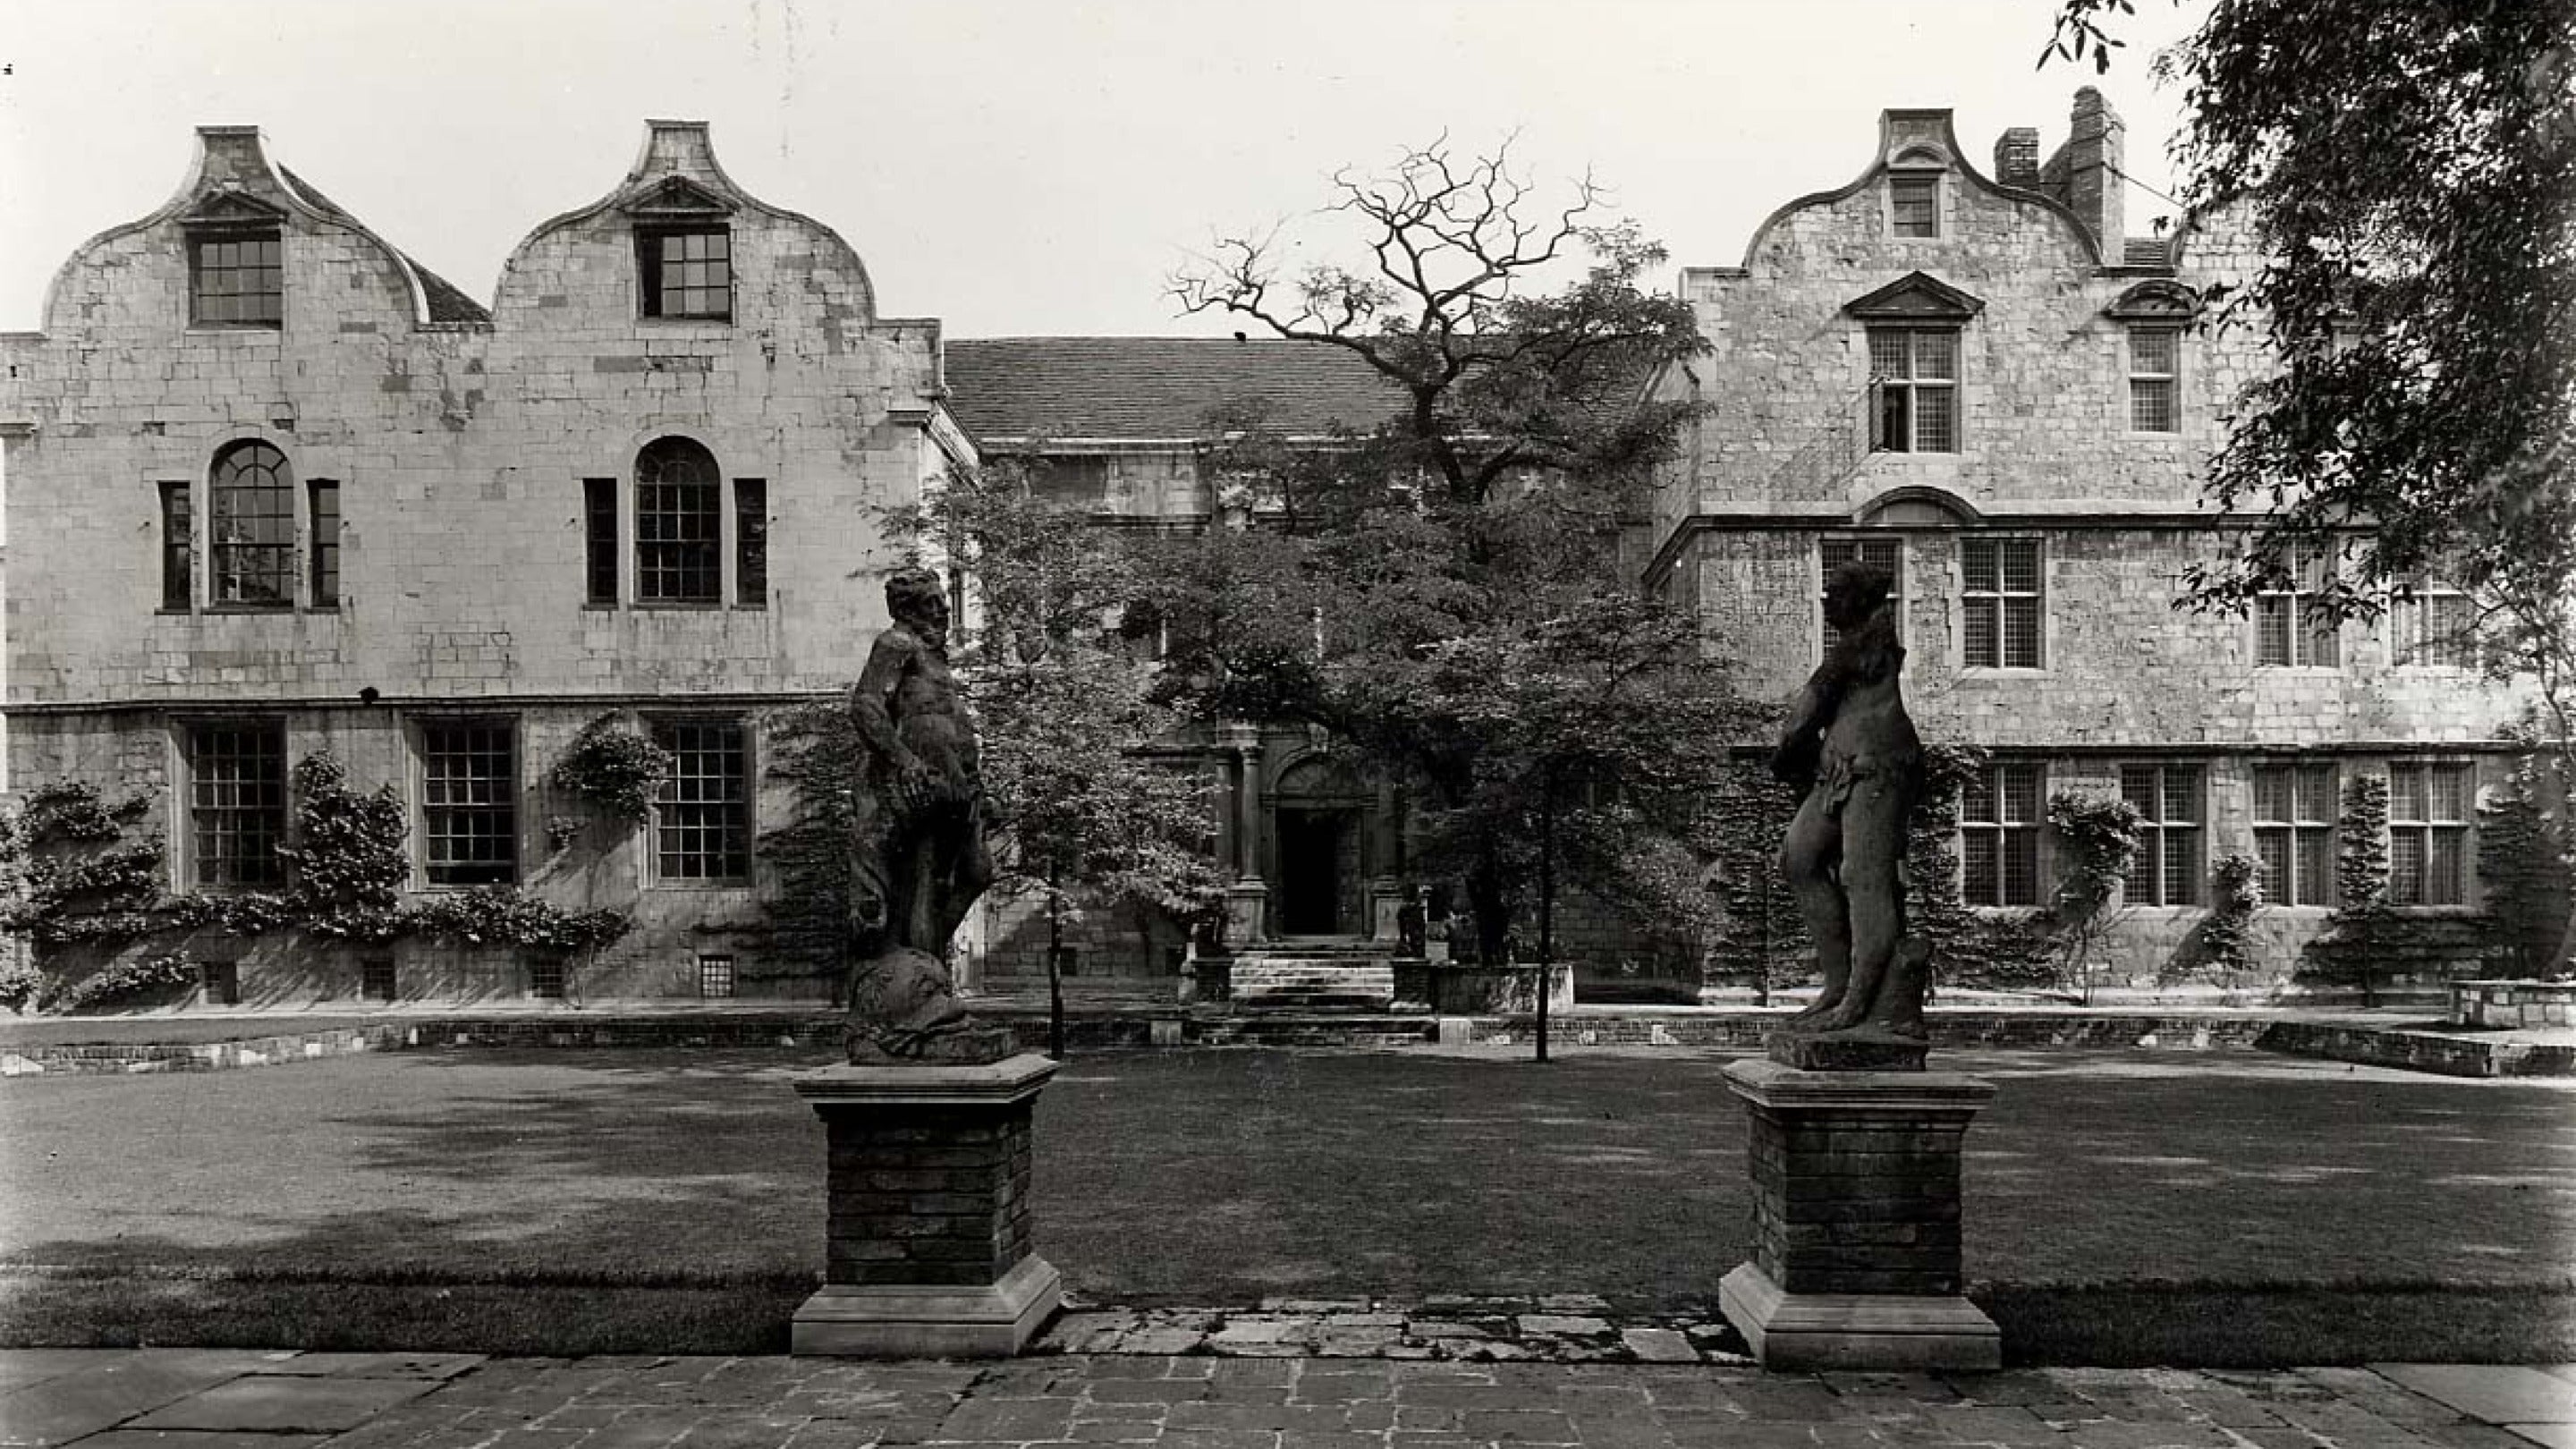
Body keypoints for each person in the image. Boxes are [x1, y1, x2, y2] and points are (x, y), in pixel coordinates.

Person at [844, 566, 1005, 1061]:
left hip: (957, 789)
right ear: (908, 609)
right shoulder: (895, 645)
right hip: (922, 786)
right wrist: (907, 761)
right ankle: (922, 996)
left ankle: (925, 980)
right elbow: (866, 707)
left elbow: (950, 724)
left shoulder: (936, 662)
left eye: (942, 600)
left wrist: (979, 789)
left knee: (975, 872)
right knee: (923, 879)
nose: (942, 609)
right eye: (932, 602)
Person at [1771, 560, 1928, 1036]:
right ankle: (1837, 986)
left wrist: (1788, 754)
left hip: (1879, 767)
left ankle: (1860, 1003)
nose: (1828, 602)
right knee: (1798, 859)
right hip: (1839, 770)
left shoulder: (1867, 641)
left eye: (1836, 594)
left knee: (1865, 877)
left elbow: (1804, 714)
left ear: (1859, 600)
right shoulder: (1851, 645)